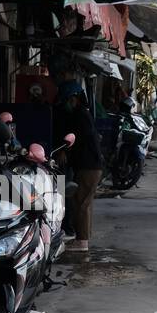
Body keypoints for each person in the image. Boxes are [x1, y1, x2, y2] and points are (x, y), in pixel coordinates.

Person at [59, 80, 104, 253]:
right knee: (83, 202)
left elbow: (78, 138)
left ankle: (82, 241)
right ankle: (82, 238)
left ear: (74, 98)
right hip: (90, 165)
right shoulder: (82, 114)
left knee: (81, 203)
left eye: (66, 100)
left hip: (89, 166)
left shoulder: (80, 115)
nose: (65, 104)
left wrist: (64, 150)